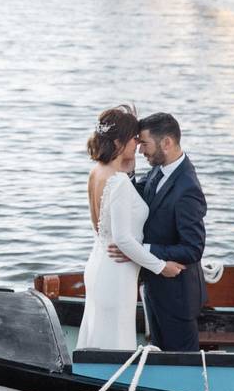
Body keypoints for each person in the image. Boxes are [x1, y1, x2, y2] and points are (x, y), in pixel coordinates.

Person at [76, 106, 185, 351]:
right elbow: (123, 240)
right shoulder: (119, 183)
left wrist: (130, 164)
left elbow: (101, 227)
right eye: (134, 138)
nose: (138, 143)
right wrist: (161, 267)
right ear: (118, 141)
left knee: (98, 340)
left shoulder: (97, 172)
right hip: (117, 272)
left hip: (98, 264)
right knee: (115, 343)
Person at [107, 112, 207, 351]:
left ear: (167, 143)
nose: (141, 150)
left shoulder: (187, 188)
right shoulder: (159, 170)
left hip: (177, 296)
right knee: (159, 358)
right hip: (154, 287)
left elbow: (193, 248)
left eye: (145, 144)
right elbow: (138, 197)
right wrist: (128, 173)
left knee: (182, 369)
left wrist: (141, 250)